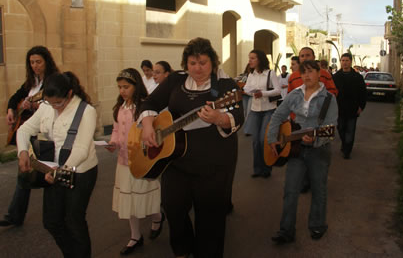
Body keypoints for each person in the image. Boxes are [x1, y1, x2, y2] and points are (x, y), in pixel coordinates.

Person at [139, 37, 244, 258]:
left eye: (203, 63)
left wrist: (218, 118)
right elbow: (149, 103)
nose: (197, 68)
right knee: (173, 207)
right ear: (186, 63)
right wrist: (148, 125)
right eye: (192, 63)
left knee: (210, 219)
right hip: (176, 161)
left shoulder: (226, 87)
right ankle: (183, 250)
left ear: (213, 63)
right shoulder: (175, 80)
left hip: (214, 166)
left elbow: (237, 118)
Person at [17, 72, 98, 257]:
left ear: (69, 94)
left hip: (81, 171)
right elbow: (24, 130)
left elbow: (81, 149)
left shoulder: (86, 111)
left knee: (74, 220)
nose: (55, 107)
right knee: (52, 221)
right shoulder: (47, 107)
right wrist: (22, 152)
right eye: (50, 103)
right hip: (52, 169)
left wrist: (60, 171)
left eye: (59, 103)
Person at [267, 60, 338, 244]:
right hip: (295, 149)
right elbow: (278, 116)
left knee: (318, 189)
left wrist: (316, 138)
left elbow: (330, 128)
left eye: (310, 72)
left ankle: (317, 225)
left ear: (319, 74)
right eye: (303, 72)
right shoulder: (294, 94)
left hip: (319, 150)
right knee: (290, 190)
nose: (306, 75)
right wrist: (272, 139)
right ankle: (286, 230)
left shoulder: (329, 99)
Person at [1, 45, 59, 227]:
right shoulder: (31, 82)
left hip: (46, 134)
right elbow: (14, 97)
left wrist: (36, 106)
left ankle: (56, 216)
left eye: (38, 62)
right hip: (30, 132)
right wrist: (11, 110)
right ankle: (15, 215)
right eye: (32, 62)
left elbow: (56, 103)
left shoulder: (53, 81)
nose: (35, 65)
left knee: (50, 173)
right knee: (25, 171)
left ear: (46, 61)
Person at [107, 68, 163, 255]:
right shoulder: (119, 108)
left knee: (145, 196)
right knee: (129, 200)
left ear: (136, 86)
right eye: (119, 87)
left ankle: (157, 217)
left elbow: (152, 129)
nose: (122, 91)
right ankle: (135, 236)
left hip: (142, 160)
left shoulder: (144, 108)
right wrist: (113, 143)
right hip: (124, 162)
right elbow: (116, 130)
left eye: (126, 87)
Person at [287, 47, 337, 193]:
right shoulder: (293, 77)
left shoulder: (325, 75)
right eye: (302, 56)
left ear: (314, 57)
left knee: (319, 153)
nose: (305, 58)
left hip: (320, 122)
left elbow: (333, 93)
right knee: (301, 153)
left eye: (308, 55)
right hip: (299, 123)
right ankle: (304, 181)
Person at [243, 49, 281, 178]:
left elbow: (277, 90)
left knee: (262, 140)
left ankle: (267, 168)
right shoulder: (251, 74)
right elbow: (246, 89)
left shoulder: (270, 73)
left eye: (252, 58)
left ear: (259, 59)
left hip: (268, 110)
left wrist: (262, 93)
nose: (250, 61)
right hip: (255, 110)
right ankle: (257, 169)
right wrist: (252, 92)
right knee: (255, 141)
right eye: (249, 58)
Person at [333, 53, 367, 159]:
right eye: (342, 60)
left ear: (351, 61)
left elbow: (363, 93)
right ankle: (345, 144)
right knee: (341, 128)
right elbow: (332, 93)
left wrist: (361, 106)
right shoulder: (336, 77)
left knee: (350, 131)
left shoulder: (357, 77)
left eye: (347, 60)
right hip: (339, 110)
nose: (344, 63)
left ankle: (347, 151)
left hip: (353, 109)